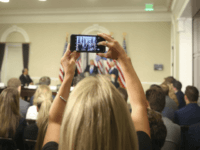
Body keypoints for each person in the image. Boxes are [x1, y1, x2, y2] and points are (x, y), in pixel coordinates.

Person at [42, 33, 151, 150]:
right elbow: (139, 105)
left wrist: (68, 75)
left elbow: (55, 121)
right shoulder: (140, 145)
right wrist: (124, 59)